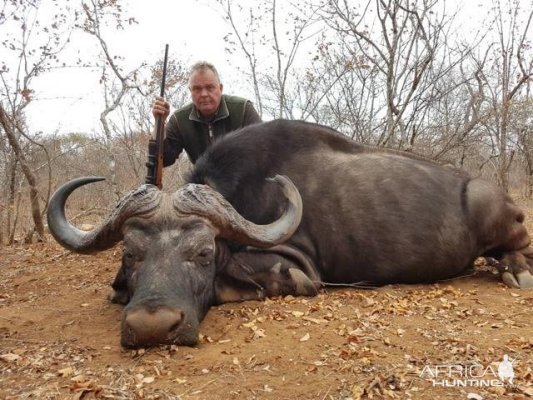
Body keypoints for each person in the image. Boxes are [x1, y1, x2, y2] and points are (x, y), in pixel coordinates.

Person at [152, 61, 262, 165]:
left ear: (221, 88)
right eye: (197, 89)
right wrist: (159, 123)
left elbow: (264, 149)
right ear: (190, 91)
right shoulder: (179, 120)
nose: (204, 94)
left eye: (210, 87)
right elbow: (164, 159)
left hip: (244, 179)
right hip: (203, 182)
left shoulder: (243, 109)